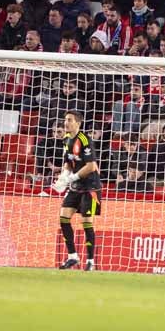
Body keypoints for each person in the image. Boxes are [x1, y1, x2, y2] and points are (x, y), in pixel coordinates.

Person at [54, 110, 99, 271]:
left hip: (90, 188)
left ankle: (91, 261)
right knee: (64, 218)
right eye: (65, 119)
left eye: (69, 120)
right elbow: (68, 162)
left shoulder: (85, 140)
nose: (66, 123)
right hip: (75, 187)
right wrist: (63, 177)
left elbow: (91, 166)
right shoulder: (66, 139)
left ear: (78, 123)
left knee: (87, 223)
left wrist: (71, 178)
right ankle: (73, 256)